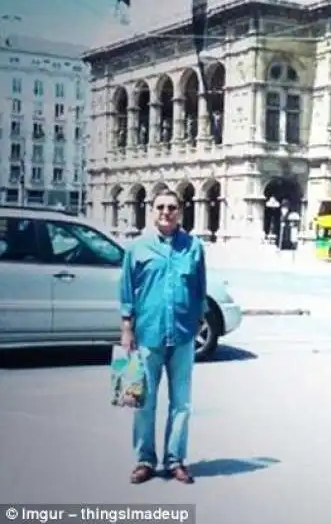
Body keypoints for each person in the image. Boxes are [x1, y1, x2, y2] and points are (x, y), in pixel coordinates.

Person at [119, 189, 207, 484]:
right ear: (151, 210)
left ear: (180, 211)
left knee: (181, 403)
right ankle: (145, 460)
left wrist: (198, 321)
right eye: (160, 207)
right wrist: (127, 329)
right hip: (148, 335)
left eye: (172, 207)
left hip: (182, 336)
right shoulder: (137, 248)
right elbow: (127, 291)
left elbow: (199, 288)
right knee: (144, 402)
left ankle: (175, 460)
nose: (166, 212)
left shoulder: (193, 246)